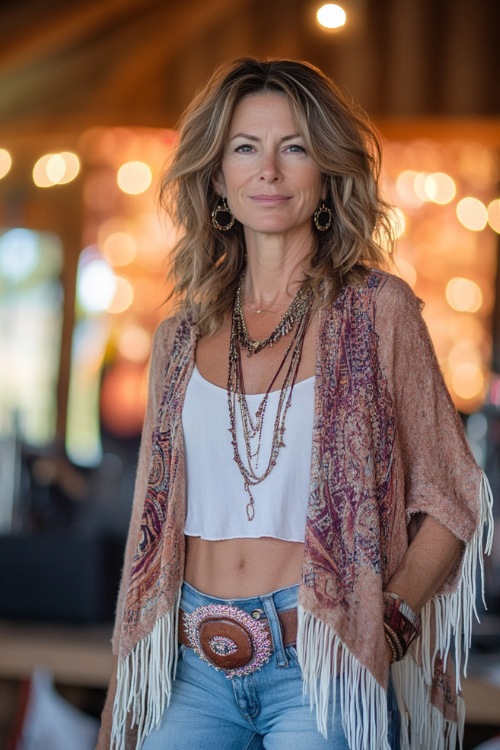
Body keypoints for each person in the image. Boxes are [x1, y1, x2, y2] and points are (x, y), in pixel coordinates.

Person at [96, 58, 493, 750]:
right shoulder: (177, 337)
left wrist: (390, 616)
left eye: (295, 148)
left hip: (320, 664)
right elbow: (146, 536)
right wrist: (124, 689)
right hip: (186, 664)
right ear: (218, 176)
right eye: (245, 148)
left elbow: (455, 496)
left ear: (327, 173)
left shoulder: (378, 312)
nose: (269, 172)